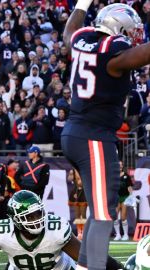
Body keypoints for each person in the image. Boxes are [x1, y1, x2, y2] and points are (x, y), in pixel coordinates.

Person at [62, 1, 150, 269]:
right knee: (103, 214)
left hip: (75, 133)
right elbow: (141, 55)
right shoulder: (112, 53)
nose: (134, 36)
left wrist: (82, 3)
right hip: (94, 137)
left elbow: (70, 31)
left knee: (98, 209)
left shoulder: (81, 41)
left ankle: (85, 266)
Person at [0, 190, 124, 270]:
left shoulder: (55, 231)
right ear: (15, 219)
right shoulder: (2, 233)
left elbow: (88, 257)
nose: (36, 219)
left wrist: (117, 267)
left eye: (38, 213)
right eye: (29, 216)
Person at [113, 161, 133, 241]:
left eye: (121, 165)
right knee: (115, 216)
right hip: (116, 198)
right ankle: (118, 234)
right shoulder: (113, 176)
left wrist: (131, 197)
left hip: (124, 198)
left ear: (122, 166)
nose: (120, 167)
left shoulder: (126, 176)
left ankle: (125, 235)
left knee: (123, 217)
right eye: (118, 165)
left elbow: (129, 187)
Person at [67, 169, 87, 241]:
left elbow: (83, 182)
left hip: (83, 192)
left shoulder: (83, 170)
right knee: (77, 215)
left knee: (83, 214)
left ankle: (84, 232)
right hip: (76, 192)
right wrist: (71, 174)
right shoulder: (73, 170)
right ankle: (79, 233)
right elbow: (69, 179)